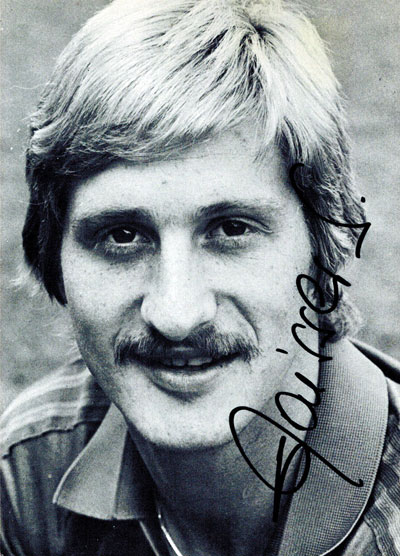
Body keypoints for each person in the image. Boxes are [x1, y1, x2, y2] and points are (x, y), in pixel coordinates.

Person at [1, 1, 399, 555]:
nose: (177, 313)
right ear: (54, 259)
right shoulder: (32, 467)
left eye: (231, 229)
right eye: (122, 236)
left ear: (321, 247)